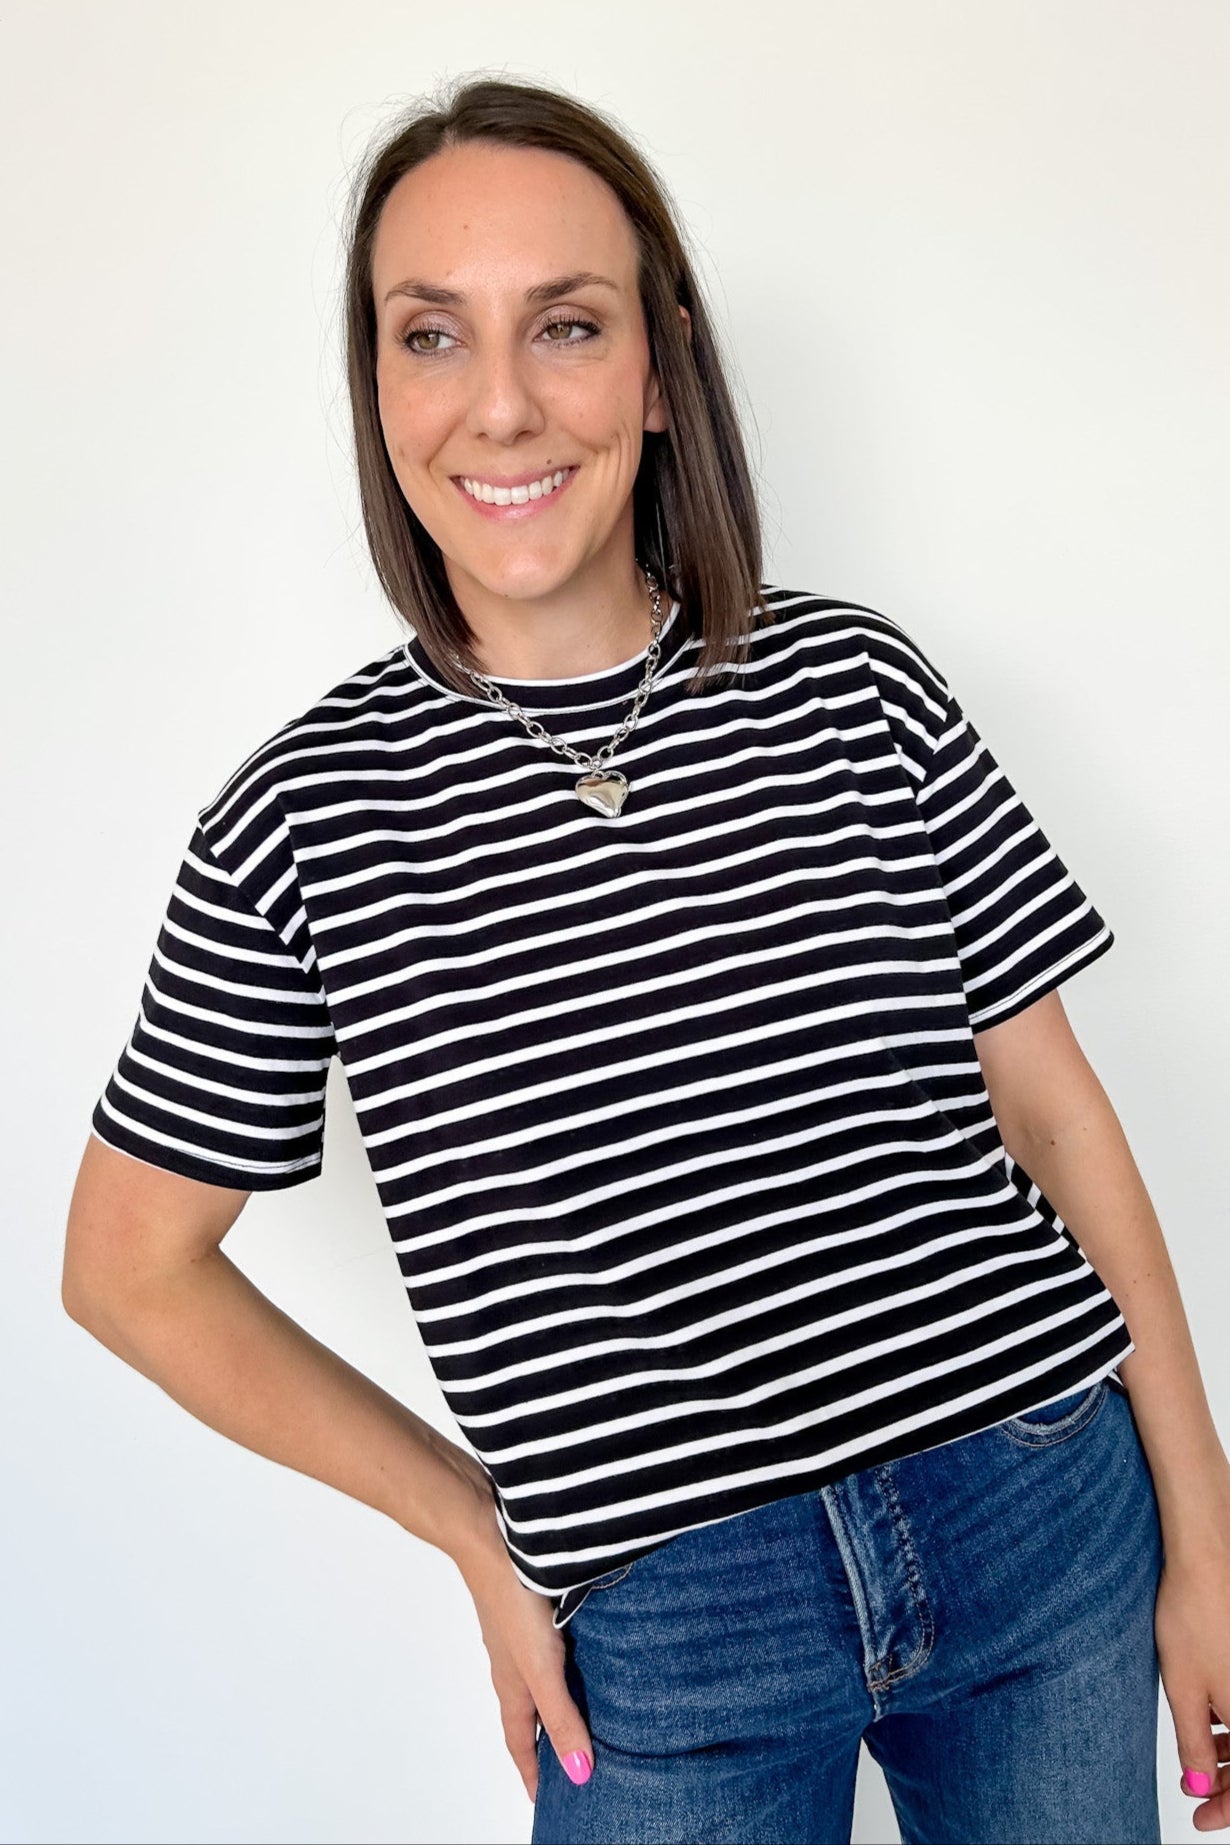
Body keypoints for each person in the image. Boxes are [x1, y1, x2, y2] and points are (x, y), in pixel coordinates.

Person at [63, 76, 1230, 1845]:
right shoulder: (303, 818)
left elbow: (1058, 1118)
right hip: (665, 1629)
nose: (502, 402)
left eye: (568, 324)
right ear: (377, 388)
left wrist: (1206, 1536)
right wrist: (470, 1527)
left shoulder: (855, 686)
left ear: (661, 368)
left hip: (1034, 1514)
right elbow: (128, 1268)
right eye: (431, 334)